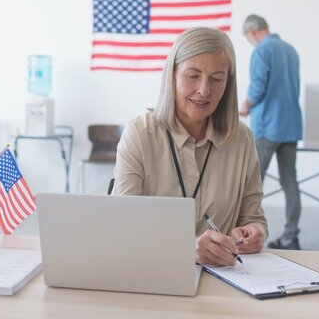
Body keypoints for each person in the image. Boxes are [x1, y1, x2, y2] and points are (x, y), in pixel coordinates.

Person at [113, 27, 268, 267]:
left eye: (217, 79)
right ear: (172, 75)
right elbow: (121, 226)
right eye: (193, 76)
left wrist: (254, 232)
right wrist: (187, 247)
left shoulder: (242, 138)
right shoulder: (139, 134)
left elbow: (254, 218)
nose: (204, 90)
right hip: (152, 272)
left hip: (225, 278)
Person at [238, 14, 302, 250]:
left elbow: (258, 86)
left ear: (253, 31)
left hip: (267, 126)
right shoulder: (290, 50)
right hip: (292, 125)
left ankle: (246, 233)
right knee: (290, 180)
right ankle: (291, 235)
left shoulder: (262, 50)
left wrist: (245, 105)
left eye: (248, 37)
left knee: (252, 183)